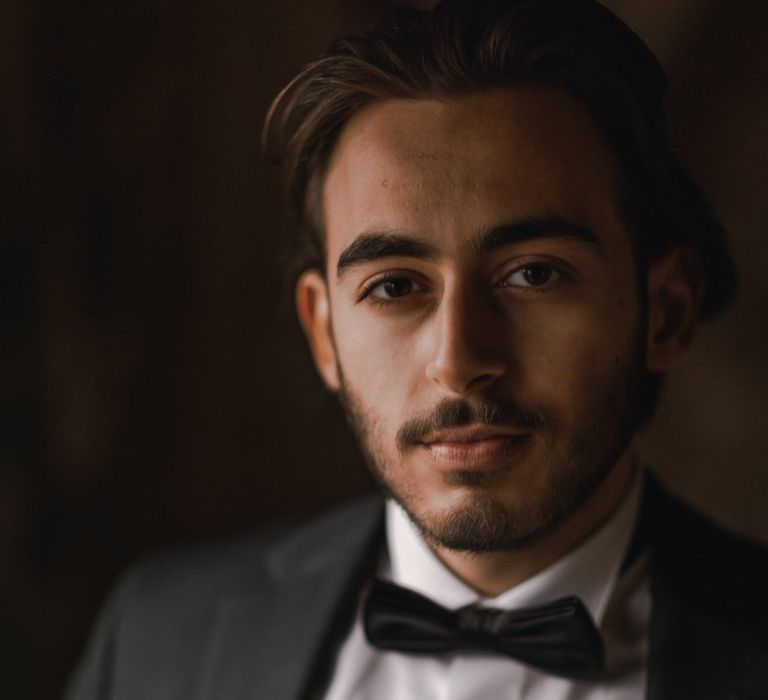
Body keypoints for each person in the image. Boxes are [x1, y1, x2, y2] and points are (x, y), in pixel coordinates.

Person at [65, 1, 768, 698]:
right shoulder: (157, 635)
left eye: (534, 274)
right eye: (395, 285)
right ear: (323, 331)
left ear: (666, 312)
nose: (459, 362)